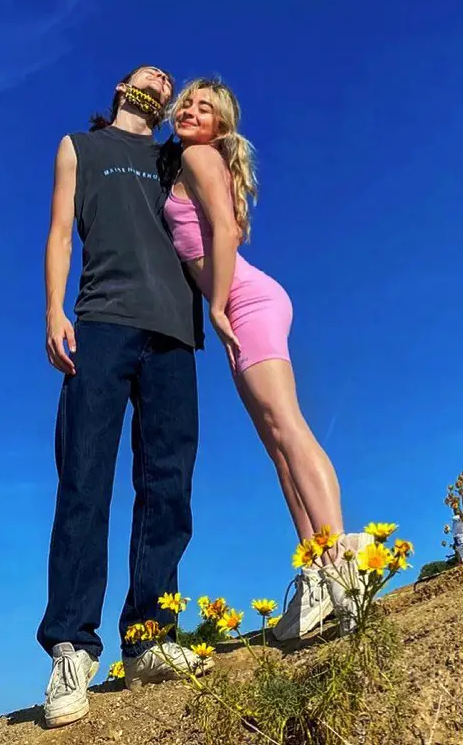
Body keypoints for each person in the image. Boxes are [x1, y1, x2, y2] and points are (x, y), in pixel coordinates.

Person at [162, 77, 370, 639]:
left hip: (247, 302)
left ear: (219, 127)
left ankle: (345, 566)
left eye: (205, 108)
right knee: (277, 449)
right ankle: (318, 573)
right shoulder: (184, 161)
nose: (191, 110)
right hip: (242, 305)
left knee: (289, 427)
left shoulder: (200, 157)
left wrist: (218, 304)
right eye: (187, 102)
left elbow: (225, 229)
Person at [38, 66, 211, 729]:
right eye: (150, 72)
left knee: (168, 482)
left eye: (168, 81)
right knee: (84, 480)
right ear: (120, 86)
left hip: (174, 328)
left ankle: (149, 638)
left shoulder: (174, 155)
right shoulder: (80, 147)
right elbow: (59, 231)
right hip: (102, 321)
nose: (161, 78)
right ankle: (71, 648)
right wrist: (54, 309)